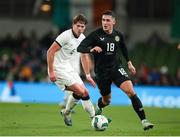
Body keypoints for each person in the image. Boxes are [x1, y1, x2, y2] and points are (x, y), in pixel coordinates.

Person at [77, 10, 154, 130]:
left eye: (108, 20)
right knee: (106, 100)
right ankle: (99, 106)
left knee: (131, 91)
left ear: (114, 21)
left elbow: (123, 48)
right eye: (103, 20)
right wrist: (91, 50)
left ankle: (144, 121)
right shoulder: (95, 35)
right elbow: (80, 47)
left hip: (116, 68)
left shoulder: (118, 35)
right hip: (102, 73)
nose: (105, 23)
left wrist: (129, 62)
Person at [47, 14, 96, 126]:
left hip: (67, 67)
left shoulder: (83, 38)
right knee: (79, 91)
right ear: (73, 25)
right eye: (78, 26)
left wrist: (88, 75)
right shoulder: (65, 36)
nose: (80, 29)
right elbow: (50, 52)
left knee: (85, 92)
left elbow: (84, 56)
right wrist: (51, 71)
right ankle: (73, 113)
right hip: (57, 68)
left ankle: (92, 117)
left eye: (82, 27)